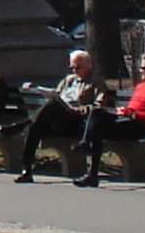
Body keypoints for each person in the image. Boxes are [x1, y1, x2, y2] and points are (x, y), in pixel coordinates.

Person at [74, 53, 145, 187]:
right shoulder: (141, 86)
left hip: (139, 126)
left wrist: (135, 115)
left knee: (97, 130)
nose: (141, 70)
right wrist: (123, 111)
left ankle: (91, 171)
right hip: (125, 120)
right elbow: (132, 107)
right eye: (141, 67)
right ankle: (87, 148)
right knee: (96, 112)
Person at [9, 51, 107, 182]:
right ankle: (27, 170)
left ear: (89, 64)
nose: (75, 70)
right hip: (59, 118)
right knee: (35, 128)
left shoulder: (96, 82)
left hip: (76, 121)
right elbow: (57, 94)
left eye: (78, 67)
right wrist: (41, 90)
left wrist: (77, 110)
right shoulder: (69, 80)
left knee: (52, 105)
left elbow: (98, 106)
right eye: (72, 67)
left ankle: (22, 124)